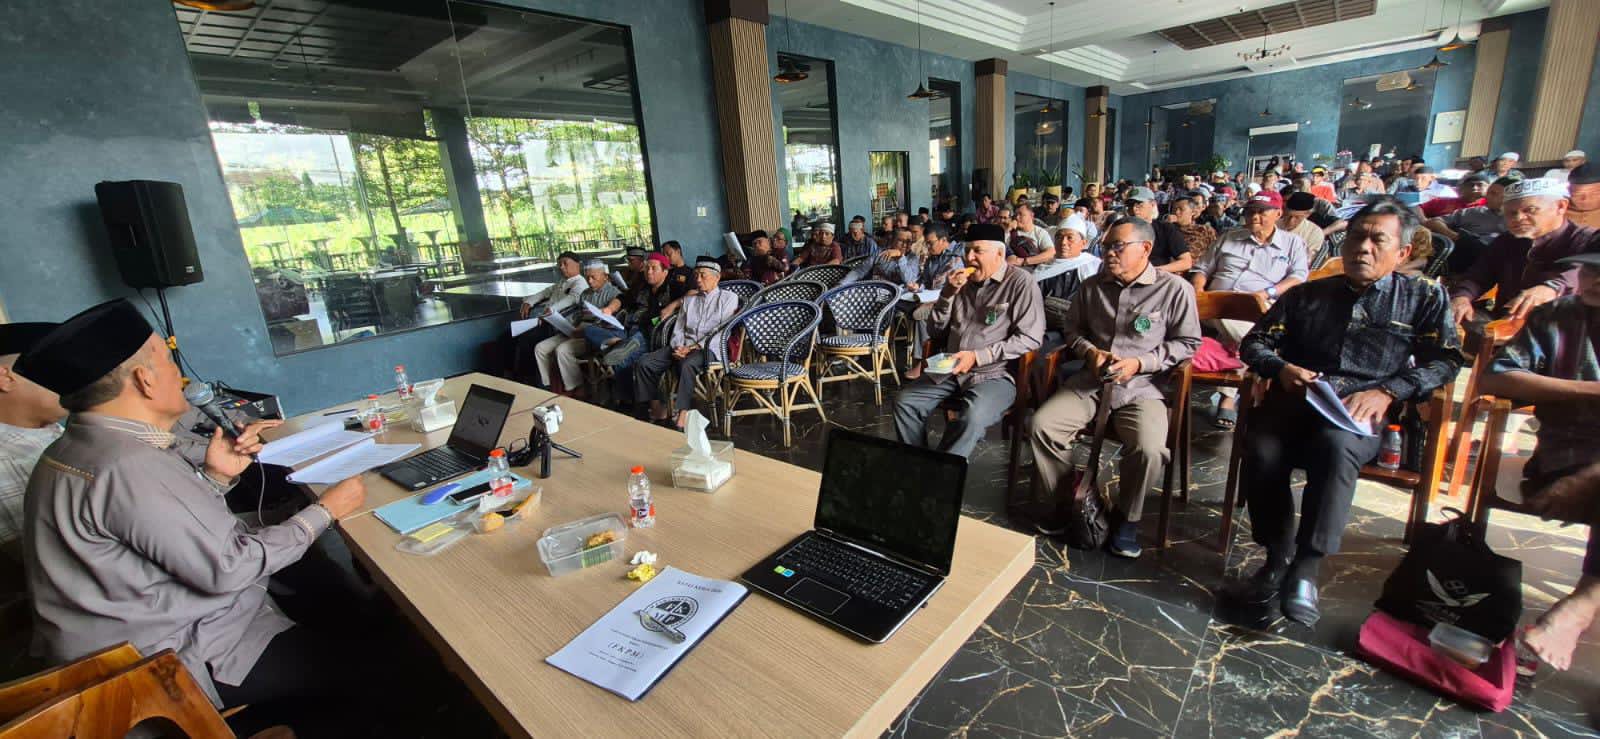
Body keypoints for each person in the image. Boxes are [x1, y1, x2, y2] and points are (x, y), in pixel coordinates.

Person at [17, 299, 378, 730]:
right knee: (382, 661)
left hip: (124, 641)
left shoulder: (77, 449)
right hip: (171, 661)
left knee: (331, 601)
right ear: (145, 380)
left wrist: (214, 477)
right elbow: (226, 568)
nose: (182, 377)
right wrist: (324, 511)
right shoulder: (128, 465)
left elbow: (157, 532)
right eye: (170, 363)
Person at [1230, 199, 1460, 625]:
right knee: (1261, 447)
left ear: (1403, 252)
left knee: (1334, 448)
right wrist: (1282, 368)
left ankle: (1307, 566)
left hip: (1360, 412)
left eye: (1378, 240)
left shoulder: (1422, 297)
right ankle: (1275, 556)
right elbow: (1255, 343)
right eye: (1356, 237)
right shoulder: (1306, 295)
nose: (1363, 249)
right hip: (1300, 401)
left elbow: (1445, 360)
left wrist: (1389, 391)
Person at [1029, 217, 1200, 557]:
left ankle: (1127, 518)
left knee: (1149, 448)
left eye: (1117, 246)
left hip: (1142, 387)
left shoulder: (1173, 289)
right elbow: (1073, 331)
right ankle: (1071, 502)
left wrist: (1142, 363)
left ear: (1145, 249)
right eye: (1106, 246)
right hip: (1092, 382)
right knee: (1042, 426)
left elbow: (1188, 343)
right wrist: (1090, 353)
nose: (1108, 253)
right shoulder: (1092, 287)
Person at [1477, 252, 1600, 671]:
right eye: (1592, 269)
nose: (1596, 280)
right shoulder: (1559, 315)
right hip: (1566, 457)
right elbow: (1495, 377)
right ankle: (1579, 608)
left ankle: (1582, 603)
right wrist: (1590, 391)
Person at [893, 223, 1043, 458]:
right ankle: (918, 464)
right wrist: (947, 295)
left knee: (972, 417)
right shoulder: (959, 284)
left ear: (1000, 254)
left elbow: (1030, 339)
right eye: (966, 251)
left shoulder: (1021, 283)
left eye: (977, 251)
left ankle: (942, 475)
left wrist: (978, 356)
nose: (969, 258)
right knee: (905, 401)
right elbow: (935, 331)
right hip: (951, 368)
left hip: (995, 373)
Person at [1191, 189, 1310, 429]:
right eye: (1250, 211)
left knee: (1243, 327)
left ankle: (1229, 395)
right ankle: (1265, 363)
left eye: (1262, 212)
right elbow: (1202, 268)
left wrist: (1269, 292)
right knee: (1232, 317)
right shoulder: (1229, 237)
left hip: (1262, 306)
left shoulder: (1292, 243)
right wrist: (1198, 291)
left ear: (1278, 213)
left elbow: (1299, 276)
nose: (1254, 217)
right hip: (1217, 304)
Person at [1449, 178, 1600, 327]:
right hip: (1504, 321)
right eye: (1511, 213)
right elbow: (1479, 274)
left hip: (1561, 330)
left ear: (1560, 206)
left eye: (1530, 210)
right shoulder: (1508, 239)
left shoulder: (1588, 240)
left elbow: (1579, 272)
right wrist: (1462, 296)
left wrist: (1551, 288)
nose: (1518, 218)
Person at [633, 257, 740, 429]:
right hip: (682, 346)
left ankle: (683, 412)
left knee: (687, 363)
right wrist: (678, 346)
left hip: (709, 347)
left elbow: (721, 330)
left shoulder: (728, 298)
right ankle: (656, 406)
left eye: (703, 275)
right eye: (696, 275)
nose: (697, 279)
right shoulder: (689, 301)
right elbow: (679, 329)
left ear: (717, 278)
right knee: (644, 362)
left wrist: (690, 348)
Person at [0, 323, 63, 575]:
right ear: (5, 378)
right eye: (56, 367)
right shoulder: (5, 461)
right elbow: (57, 567)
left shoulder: (50, 429)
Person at [534, 260, 621, 398]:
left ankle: (576, 387)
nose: (590, 281)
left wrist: (581, 330)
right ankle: (549, 385)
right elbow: (579, 315)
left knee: (562, 350)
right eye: (587, 277)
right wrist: (563, 322)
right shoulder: (585, 293)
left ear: (605, 276)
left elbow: (612, 314)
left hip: (591, 335)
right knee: (540, 348)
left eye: (593, 277)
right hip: (575, 330)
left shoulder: (613, 293)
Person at [513, 251, 586, 386]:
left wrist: (550, 311)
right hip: (544, 319)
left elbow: (571, 299)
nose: (562, 267)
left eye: (565, 264)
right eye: (560, 264)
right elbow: (544, 292)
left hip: (556, 324)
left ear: (577, 265)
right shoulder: (562, 282)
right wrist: (529, 302)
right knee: (508, 337)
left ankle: (528, 380)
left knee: (526, 339)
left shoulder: (580, 284)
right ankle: (513, 374)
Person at [1424, 175, 1518, 274]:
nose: (1486, 196)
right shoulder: (1472, 212)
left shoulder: (1522, 221)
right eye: (1489, 192)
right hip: (1466, 262)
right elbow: (1433, 222)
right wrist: (1454, 236)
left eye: (1494, 194)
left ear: (1509, 197)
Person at [1033, 214, 1103, 327]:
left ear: (1083, 243)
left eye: (1070, 238)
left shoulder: (1095, 266)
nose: (1063, 242)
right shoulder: (1044, 269)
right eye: (1059, 237)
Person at [1123, 187, 1193, 273]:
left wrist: (1154, 271)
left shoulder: (1165, 229)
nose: (1134, 209)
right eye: (1130, 205)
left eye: (1139, 205)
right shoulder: (1121, 230)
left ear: (1152, 205)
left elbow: (1186, 262)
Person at [1281, 191, 1327, 261]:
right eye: (1288, 216)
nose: (1291, 221)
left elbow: (1307, 260)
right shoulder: (1273, 224)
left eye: (1297, 217)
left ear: (1308, 214)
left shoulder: (1314, 233)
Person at [1420, 172, 1489, 218]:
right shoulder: (1445, 201)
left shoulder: (1490, 205)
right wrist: (1424, 221)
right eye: (1470, 185)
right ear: (1462, 188)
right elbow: (1418, 207)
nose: (1474, 187)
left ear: (1489, 187)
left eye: (1480, 185)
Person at [1006, 204, 1054, 268]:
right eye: (1016, 215)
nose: (1017, 217)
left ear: (1031, 216)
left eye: (1021, 214)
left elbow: (1050, 253)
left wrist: (1024, 261)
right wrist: (1008, 230)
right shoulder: (1011, 232)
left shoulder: (1040, 232)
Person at [1170, 196, 1217, 261]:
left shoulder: (1204, 230)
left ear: (1193, 212)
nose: (1176, 212)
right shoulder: (1167, 229)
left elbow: (1215, 252)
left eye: (1181, 209)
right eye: (1174, 209)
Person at [1566, 163, 1600, 229]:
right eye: (1578, 194)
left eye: (1594, 193)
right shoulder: (1556, 210)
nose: (1585, 199)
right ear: (1568, 190)